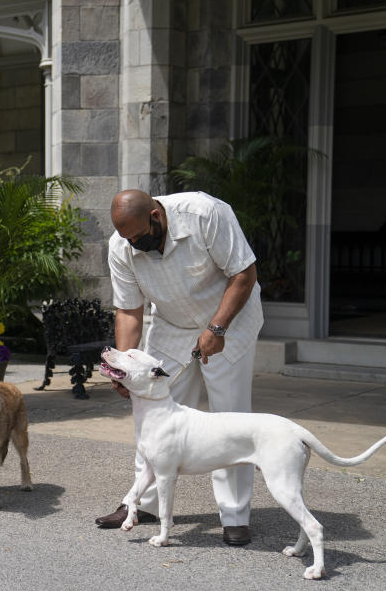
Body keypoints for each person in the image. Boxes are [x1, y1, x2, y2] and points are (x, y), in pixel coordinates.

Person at [96, 189, 263, 547]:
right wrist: (124, 368)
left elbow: (244, 274)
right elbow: (128, 310)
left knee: (229, 421)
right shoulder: (121, 245)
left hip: (228, 321)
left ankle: (235, 516)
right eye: (128, 240)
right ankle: (141, 506)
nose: (134, 246)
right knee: (156, 419)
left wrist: (216, 328)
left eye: (139, 238)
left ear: (156, 216)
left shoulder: (205, 213)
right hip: (171, 328)